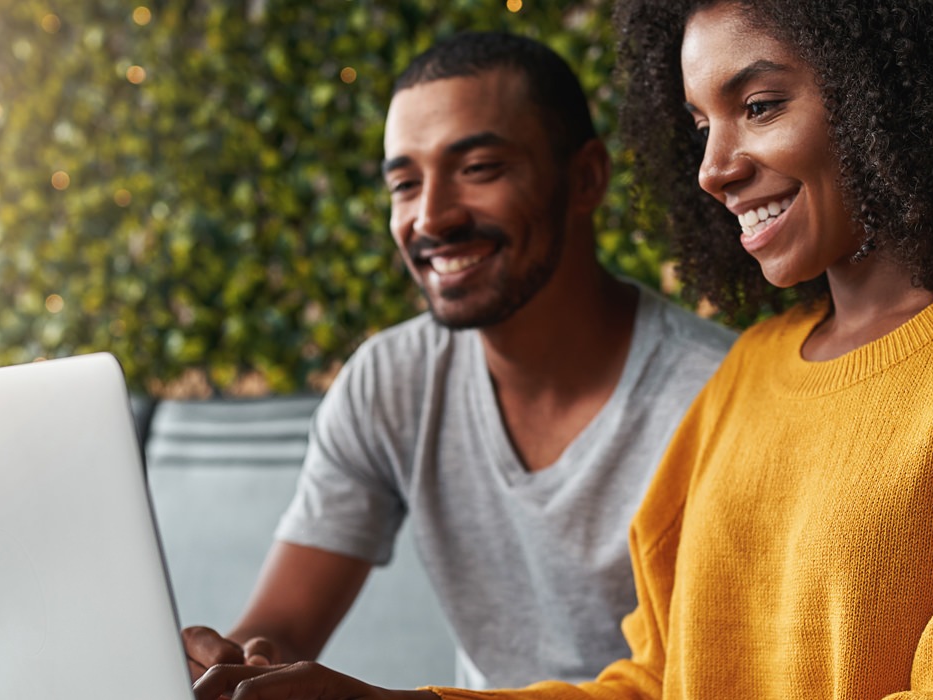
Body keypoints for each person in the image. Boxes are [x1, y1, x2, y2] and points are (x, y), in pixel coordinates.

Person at [192, 0, 933, 698]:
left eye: (757, 106)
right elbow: (658, 683)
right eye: (699, 123)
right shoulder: (750, 375)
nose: (713, 167)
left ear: (893, 90)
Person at [180, 31, 735, 690]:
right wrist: (231, 662)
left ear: (586, 177)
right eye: (405, 183)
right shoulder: (390, 383)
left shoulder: (714, 400)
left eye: (479, 169)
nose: (431, 217)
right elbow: (282, 628)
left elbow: (701, 682)